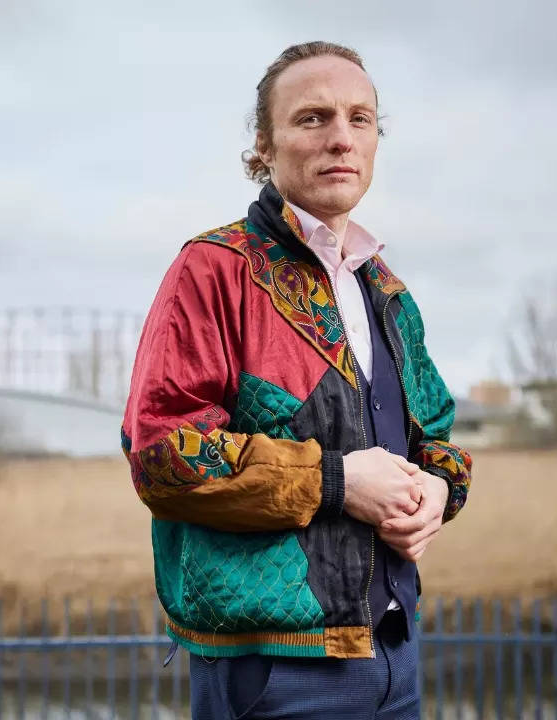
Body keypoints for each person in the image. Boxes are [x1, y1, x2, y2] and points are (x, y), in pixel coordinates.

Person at [120, 41, 471, 719]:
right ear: (263, 145)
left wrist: (438, 488)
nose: (341, 136)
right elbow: (162, 457)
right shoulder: (213, 270)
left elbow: (441, 444)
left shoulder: (388, 291)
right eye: (313, 118)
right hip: (276, 670)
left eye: (360, 118)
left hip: (397, 655)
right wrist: (339, 482)